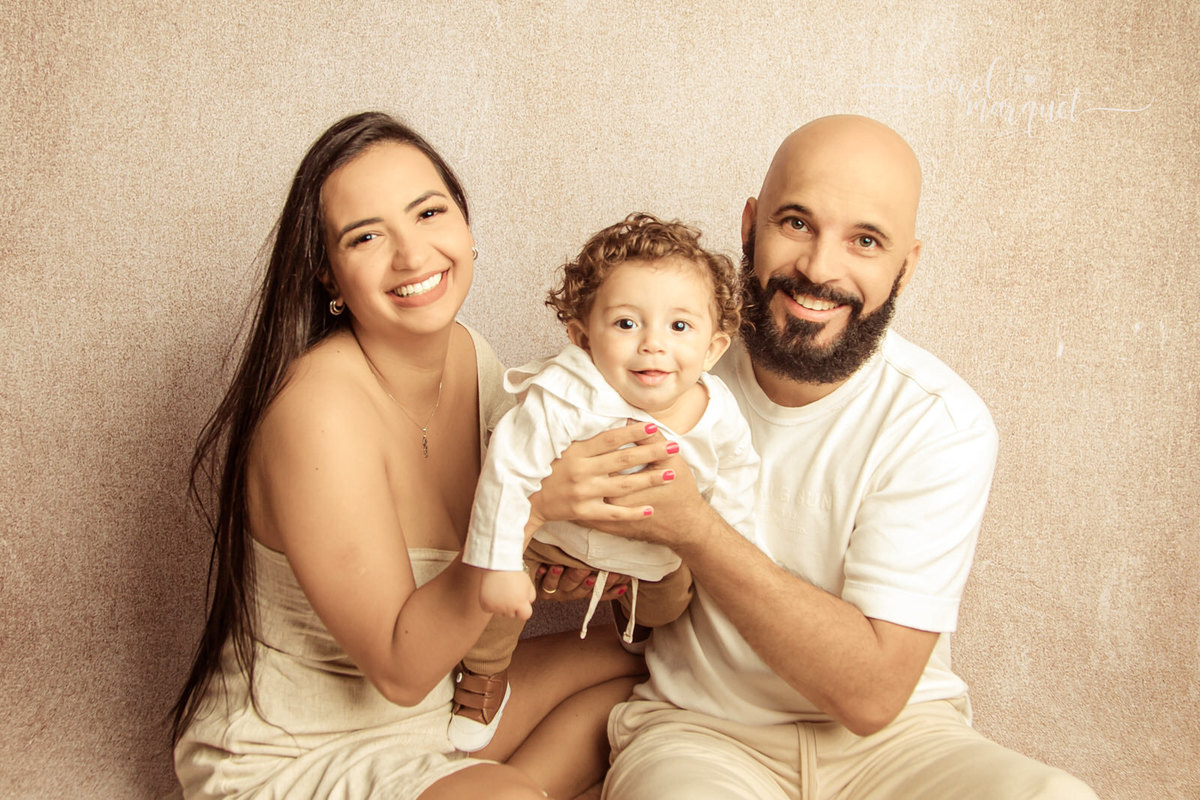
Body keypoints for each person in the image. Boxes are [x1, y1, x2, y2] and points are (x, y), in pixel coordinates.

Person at [536, 115, 1098, 799]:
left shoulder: (938, 420)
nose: (819, 269)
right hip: (701, 736)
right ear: (750, 226)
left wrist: (694, 527)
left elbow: (870, 696)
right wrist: (565, 544)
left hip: (901, 745)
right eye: (797, 223)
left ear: (905, 265)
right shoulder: (657, 367)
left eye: (865, 240)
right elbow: (559, 507)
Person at [169, 111, 642, 800]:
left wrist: (563, 559)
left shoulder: (473, 358)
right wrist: (530, 511)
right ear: (328, 276)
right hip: (300, 750)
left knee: (650, 670)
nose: (414, 255)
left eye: (428, 213)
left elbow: (479, 577)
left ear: (468, 229)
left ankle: (487, 785)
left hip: (437, 714)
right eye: (366, 236)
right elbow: (399, 667)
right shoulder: (317, 412)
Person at [450, 213, 760, 753]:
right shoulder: (567, 394)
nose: (653, 345)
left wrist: (726, 538)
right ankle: (482, 675)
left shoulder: (718, 413)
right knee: (496, 604)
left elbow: (738, 474)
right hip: (556, 541)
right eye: (626, 324)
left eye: (679, 327)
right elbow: (508, 469)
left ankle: (631, 615)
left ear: (713, 348)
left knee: (670, 606)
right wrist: (499, 562)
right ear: (582, 338)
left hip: (652, 554)